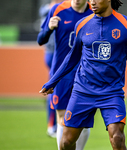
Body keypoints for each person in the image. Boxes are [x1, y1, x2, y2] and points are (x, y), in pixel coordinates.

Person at [39, 0, 127, 149]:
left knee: (117, 138)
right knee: (66, 142)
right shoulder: (82, 24)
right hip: (83, 91)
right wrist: (52, 82)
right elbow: (72, 58)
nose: (91, 2)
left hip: (111, 92)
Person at [37, 0, 93, 149]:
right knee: (62, 118)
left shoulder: (94, 11)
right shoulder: (58, 9)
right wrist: (48, 28)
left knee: (84, 122)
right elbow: (40, 40)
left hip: (86, 74)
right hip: (62, 74)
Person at [39, 0, 64, 138]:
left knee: (54, 87)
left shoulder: (46, 9)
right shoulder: (56, 9)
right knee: (54, 88)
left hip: (50, 53)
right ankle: (53, 125)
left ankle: (54, 125)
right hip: (56, 54)